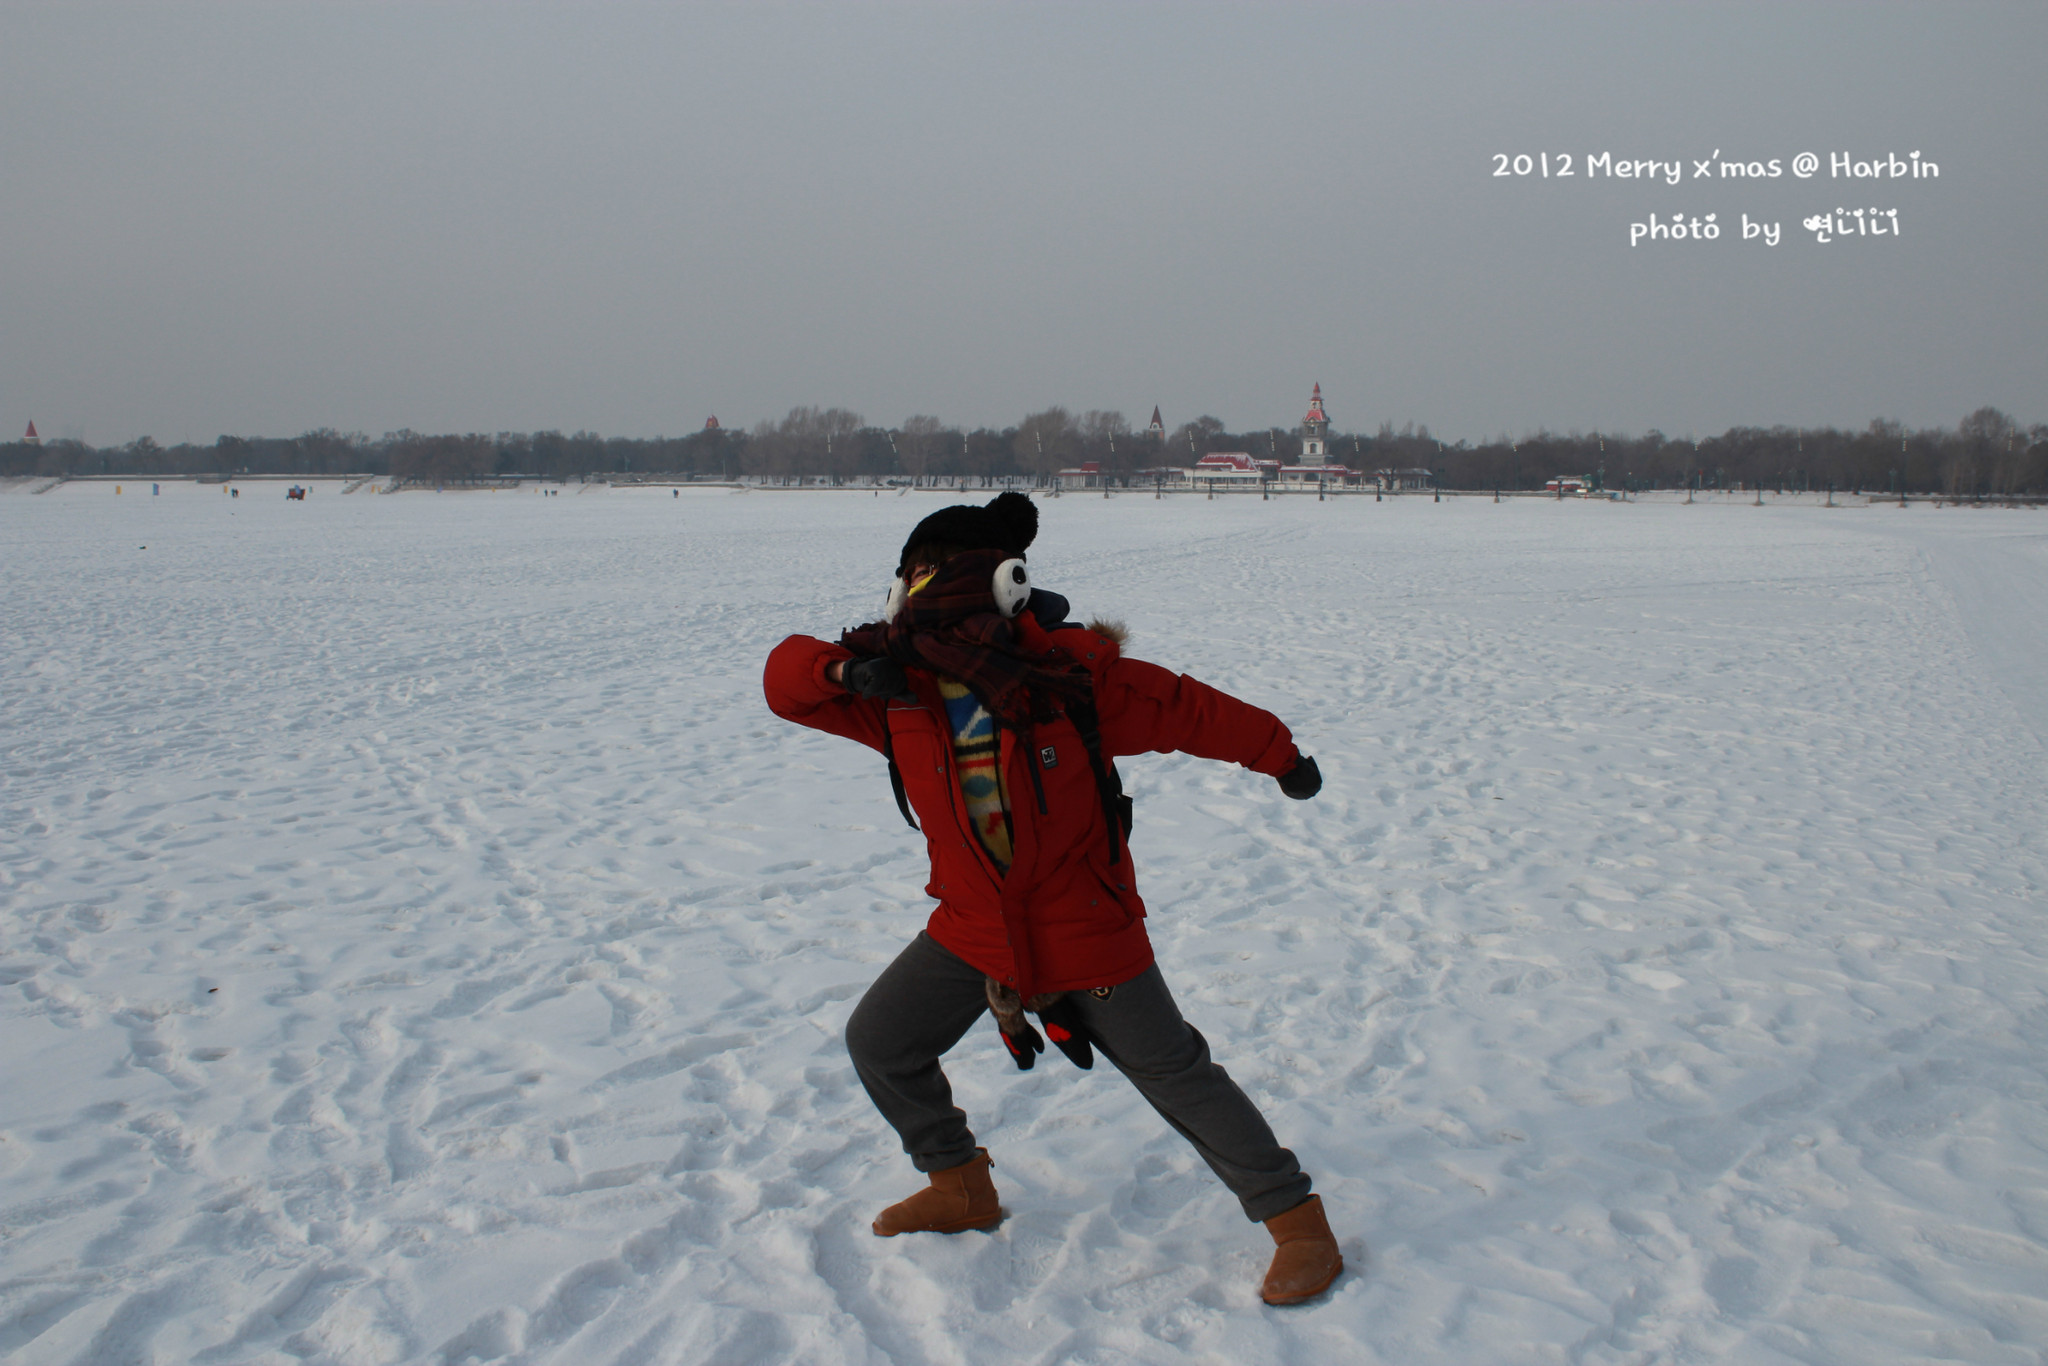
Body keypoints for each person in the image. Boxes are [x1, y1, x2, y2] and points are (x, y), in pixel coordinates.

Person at [762, 491, 1342, 1305]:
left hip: (1086, 928)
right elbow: (784, 680)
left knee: (1177, 1075)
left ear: (1005, 585)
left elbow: (1186, 708)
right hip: (972, 930)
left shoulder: (1072, 681)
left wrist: (1281, 756)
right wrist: (844, 668)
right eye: (918, 585)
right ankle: (962, 1185)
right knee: (882, 1041)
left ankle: (1299, 1224)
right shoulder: (894, 693)